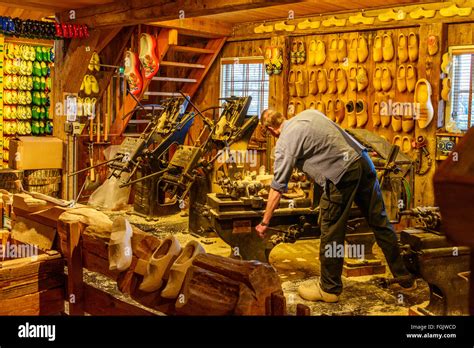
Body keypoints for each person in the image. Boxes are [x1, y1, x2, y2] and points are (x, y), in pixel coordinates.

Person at [255, 108, 414, 303]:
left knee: (331, 229)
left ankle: (329, 288)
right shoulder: (309, 114)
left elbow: (278, 187)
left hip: (342, 174)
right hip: (364, 162)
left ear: (271, 130)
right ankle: (403, 276)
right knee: (379, 220)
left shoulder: (285, 142)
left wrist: (264, 221)